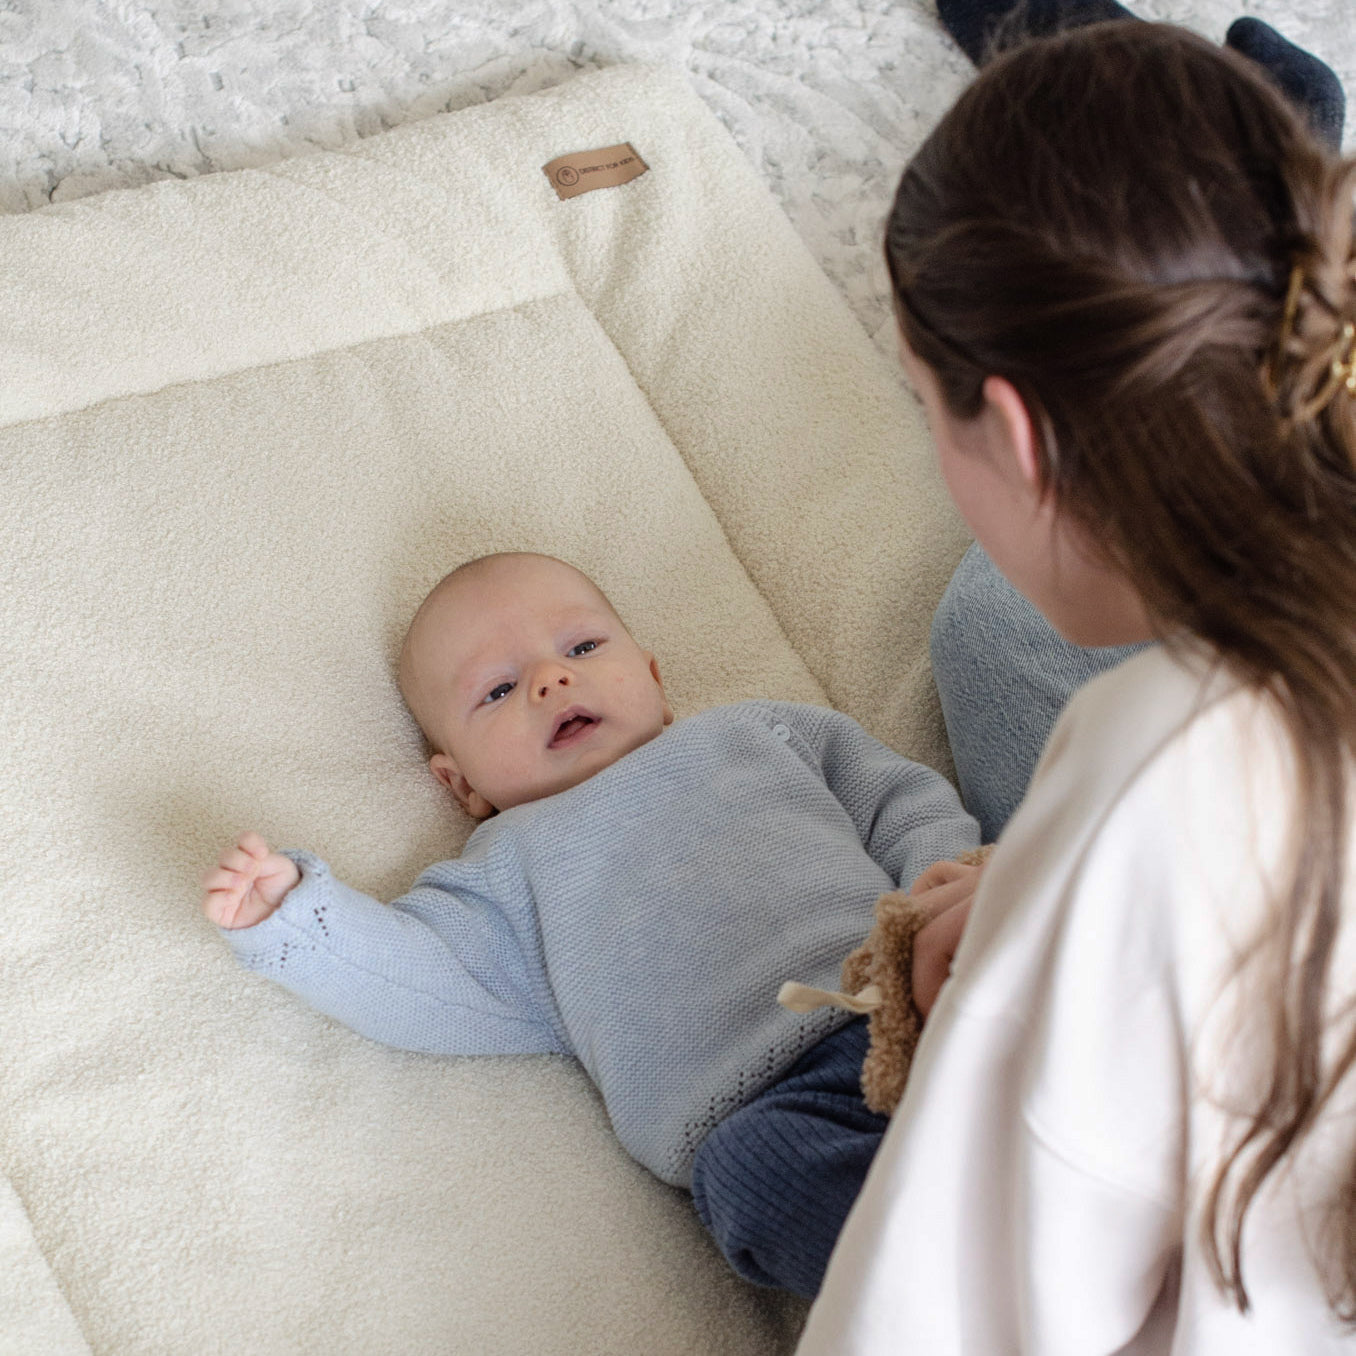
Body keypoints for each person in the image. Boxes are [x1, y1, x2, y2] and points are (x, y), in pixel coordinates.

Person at [798, 20, 1356, 1353]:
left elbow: (948, 1316)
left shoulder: (1159, 762)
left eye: (926, 402)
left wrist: (1072, 923)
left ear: (1027, 435)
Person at [201, 550, 981, 1298]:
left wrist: (941, 899)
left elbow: (900, 803)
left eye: (580, 645)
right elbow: (423, 977)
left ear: (653, 677)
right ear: (460, 782)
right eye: (498, 692)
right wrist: (299, 918)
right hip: (768, 1109)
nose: (551, 678)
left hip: (923, 993)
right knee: (755, 1175)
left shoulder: (758, 734)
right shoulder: (511, 868)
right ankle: (966, 1288)